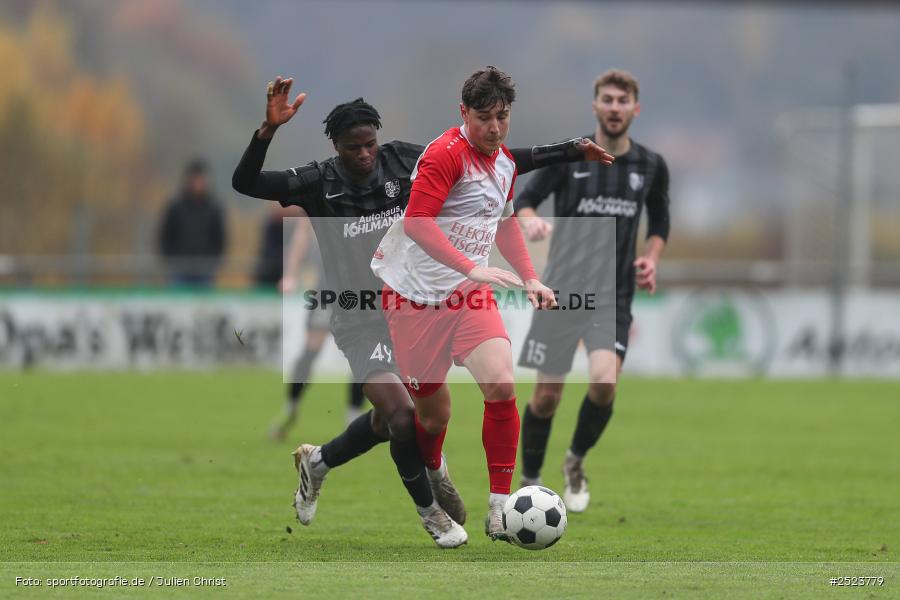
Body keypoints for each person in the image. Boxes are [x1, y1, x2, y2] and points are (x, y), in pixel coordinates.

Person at [371, 66, 615, 540]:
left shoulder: (503, 162)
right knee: (432, 415)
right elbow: (418, 222)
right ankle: (435, 468)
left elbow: (503, 224)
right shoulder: (444, 155)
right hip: (414, 298)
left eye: (502, 116)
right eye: (484, 117)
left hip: (469, 294)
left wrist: (529, 277)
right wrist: (471, 266)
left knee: (502, 384)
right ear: (463, 113)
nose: (495, 128)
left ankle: (500, 508)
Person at [514, 69, 671, 512]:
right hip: (560, 292)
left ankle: (575, 461)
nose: (615, 107)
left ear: (635, 109)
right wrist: (531, 222)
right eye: (608, 99)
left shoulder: (651, 165)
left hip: (613, 296)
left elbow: (660, 221)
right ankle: (530, 481)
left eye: (623, 100)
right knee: (546, 397)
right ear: (596, 106)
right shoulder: (574, 156)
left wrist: (651, 258)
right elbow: (526, 198)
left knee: (604, 383)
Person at [254, 207, 367, 438]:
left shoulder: (369, 187)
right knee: (311, 349)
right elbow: (303, 233)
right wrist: (291, 274)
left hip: (361, 286)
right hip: (326, 286)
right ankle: (290, 409)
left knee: (363, 352)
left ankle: (353, 419)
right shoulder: (324, 185)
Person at [158, 158, 227, 287]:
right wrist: (173, 260)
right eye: (196, 179)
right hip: (179, 270)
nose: (199, 183)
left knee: (205, 306)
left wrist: (212, 262)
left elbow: (220, 238)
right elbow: (165, 236)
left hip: (205, 271)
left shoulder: (214, 208)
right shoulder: (175, 207)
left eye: (202, 179)